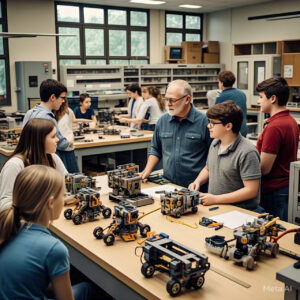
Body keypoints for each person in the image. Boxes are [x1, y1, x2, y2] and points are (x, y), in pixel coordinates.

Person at [0, 165, 94, 300]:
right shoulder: (54, 249)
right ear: (51, 203)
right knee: (88, 288)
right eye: (63, 196)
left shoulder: (8, 228)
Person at [189, 101, 261, 210]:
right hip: (217, 207)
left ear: (228, 126)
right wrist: (197, 181)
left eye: (213, 123)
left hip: (239, 211)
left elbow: (251, 190)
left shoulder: (247, 152)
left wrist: (216, 199)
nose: (208, 126)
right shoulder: (215, 143)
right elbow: (208, 168)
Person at [140, 80, 212, 188]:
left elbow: (213, 158)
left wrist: (198, 182)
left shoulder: (205, 121)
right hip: (169, 185)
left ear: (187, 99)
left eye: (173, 100)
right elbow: (156, 149)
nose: (168, 104)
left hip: (197, 187)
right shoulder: (162, 121)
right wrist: (146, 171)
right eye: (167, 99)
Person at [256, 77, 299, 221]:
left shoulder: (275, 126)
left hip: (273, 191)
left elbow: (264, 168)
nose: (258, 101)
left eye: (261, 97)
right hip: (284, 188)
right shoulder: (290, 120)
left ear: (272, 98)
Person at [0, 118, 67, 211]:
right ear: (39, 140)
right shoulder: (14, 165)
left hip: (46, 215)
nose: (58, 140)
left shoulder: (52, 157)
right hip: (24, 222)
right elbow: (5, 204)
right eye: (53, 136)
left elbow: (66, 183)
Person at [23, 79, 70, 151]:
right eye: (62, 98)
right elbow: (61, 144)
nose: (63, 101)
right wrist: (70, 139)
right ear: (53, 97)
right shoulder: (48, 118)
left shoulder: (29, 113)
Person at [216, 71, 248, 137]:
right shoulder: (241, 93)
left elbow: (215, 115)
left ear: (221, 83)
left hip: (230, 131)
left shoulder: (221, 96)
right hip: (242, 128)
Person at [55, 98, 80, 173]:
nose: (62, 100)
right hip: (59, 149)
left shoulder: (68, 111)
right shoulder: (51, 113)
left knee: (71, 178)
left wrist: (69, 139)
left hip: (67, 148)